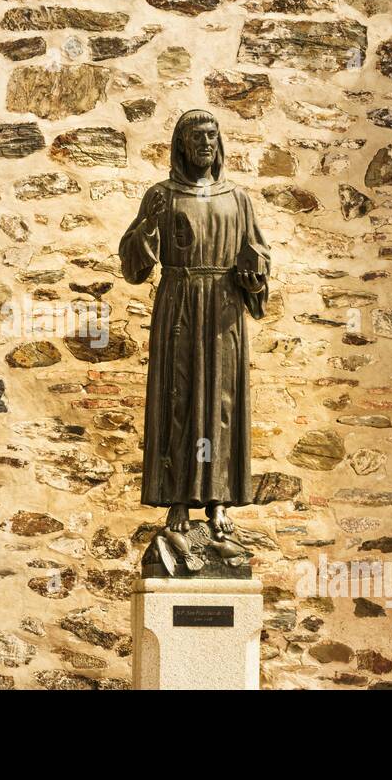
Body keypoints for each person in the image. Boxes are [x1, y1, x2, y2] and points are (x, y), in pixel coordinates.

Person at [118, 108, 271, 545]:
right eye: (197, 136)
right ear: (182, 145)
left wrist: (253, 272)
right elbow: (133, 264)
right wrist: (148, 226)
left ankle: (219, 498)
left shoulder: (237, 198)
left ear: (219, 142)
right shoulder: (161, 195)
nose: (205, 143)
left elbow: (257, 254)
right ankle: (179, 497)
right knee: (179, 399)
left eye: (212, 135)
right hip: (180, 304)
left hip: (223, 310)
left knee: (220, 403)